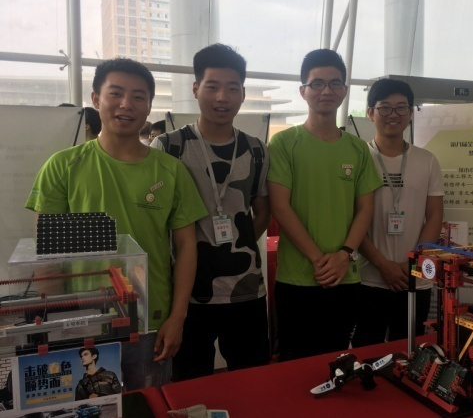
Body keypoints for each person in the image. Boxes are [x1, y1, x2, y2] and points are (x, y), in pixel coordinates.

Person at [25, 58, 208, 389]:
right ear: (96, 99)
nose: (126, 104)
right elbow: (47, 256)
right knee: (87, 402)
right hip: (82, 319)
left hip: (150, 318)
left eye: (138, 96)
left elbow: (185, 247)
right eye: (116, 93)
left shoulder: (170, 171)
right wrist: (54, 323)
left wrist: (177, 317)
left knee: (148, 402)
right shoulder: (63, 166)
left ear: (149, 106)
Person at [152, 44, 271, 380]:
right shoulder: (169, 147)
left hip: (246, 290)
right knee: (189, 382)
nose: (222, 97)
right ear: (196, 89)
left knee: (252, 379)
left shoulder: (256, 149)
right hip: (187, 295)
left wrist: (236, 244)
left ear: (243, 93)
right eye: (213, 86)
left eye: (232, 88)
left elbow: (262, 211)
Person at [267, 49, 382, 361]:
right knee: (295, 365)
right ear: (303, 91)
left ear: (344, 90)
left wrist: (344, 255)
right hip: (296, 279)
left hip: (346, 276)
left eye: (334, 83)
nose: (326, 91)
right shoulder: (284, 143)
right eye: (317, 83)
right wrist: (319, 260)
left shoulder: (358, 149)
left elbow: (365, 209)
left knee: (337, 361)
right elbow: (280, 206)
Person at [352, 78, 444, 347]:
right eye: (385, 108)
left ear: (411, 113)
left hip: (415, 278)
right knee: (366, 350)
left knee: (409, 350)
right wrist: (383, 265)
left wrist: (412, 263)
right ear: (370, 113)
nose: (393, 114)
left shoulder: (427, 160)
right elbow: (352, 219)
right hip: (368, 277)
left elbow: (434, 216)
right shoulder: (358, 158)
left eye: (401, 108)